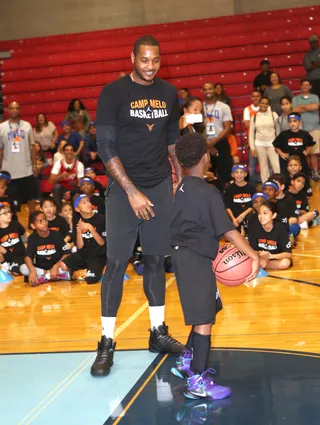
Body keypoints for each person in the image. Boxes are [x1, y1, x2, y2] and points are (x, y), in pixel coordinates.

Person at [93, 35, 185, 377]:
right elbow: (105, 146)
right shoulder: (112, 93)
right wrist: (131, 191)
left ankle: (157, 332)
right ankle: (106, 341)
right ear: (132, 57)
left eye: (156, 60)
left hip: (159, 185)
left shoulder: (169, 93)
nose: (150, 67)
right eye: (144, 60)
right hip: (122, 190)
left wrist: (178, 176)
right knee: (116, 264)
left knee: (156, 260)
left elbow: (172, 140)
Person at [169, 132, 259, 399]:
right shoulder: (208, 192)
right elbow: (228, 231)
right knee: (204, 320)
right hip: (193, 257)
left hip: (187, 254)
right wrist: (252, 254)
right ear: (205, 158)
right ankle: (196, 382)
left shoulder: (181, 186)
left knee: (210, 307)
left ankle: (186, 360)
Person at [60, 194, 106, 285]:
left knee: (90, 280)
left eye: (88, 201)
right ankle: (85, 270)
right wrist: (78, 231)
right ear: (77, 209)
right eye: (84, 202)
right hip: (83, 253)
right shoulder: (76, 220)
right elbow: (80, 246)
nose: (88, 204)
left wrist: (91, 228)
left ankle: (93, 269)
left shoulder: (101, 218)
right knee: (63, 266)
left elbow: (102, 243)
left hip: (98, 254)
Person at [0, 102, 37, 212]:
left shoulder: (27, 125)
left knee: (31, 197)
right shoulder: (2, 127)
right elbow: (0, 149)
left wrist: (34, 164)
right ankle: (13, 223)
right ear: (8, 110)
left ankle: (32, 219)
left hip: (26, 169)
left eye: (17, 108)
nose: (14, 110)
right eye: (12, 108)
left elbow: (33, 146)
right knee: (11, 199)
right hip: (9, 170)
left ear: (19, 110)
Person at [21, 211, 71, 286]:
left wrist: (56, 266)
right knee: (23, 268)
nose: (44, 223)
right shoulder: (32, 238)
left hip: (57, 266)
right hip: (41, 269)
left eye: (45, 220)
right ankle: (52, 275)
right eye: (40, 221)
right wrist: (32, 271)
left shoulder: (56, 234)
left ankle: (44, 278)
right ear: (33, 226)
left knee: (69, 264)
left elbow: (67, 253)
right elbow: (28, 257)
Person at [203, 82, 233, 185]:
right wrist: (207, 145)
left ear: (214, 90)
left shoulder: (224, 107)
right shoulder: (200, 107)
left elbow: (228, 128)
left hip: (221, 142)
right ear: (203, 91)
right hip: (204, 144)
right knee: (207, 176)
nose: (208, 91)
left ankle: (226, 197)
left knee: (225, 175)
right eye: (206, 89)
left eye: (210, 89)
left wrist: (213, 142)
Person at [248, 201, 292, 270]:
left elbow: (288, 254)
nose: (261, 216)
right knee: (262, 262)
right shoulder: (254, 228)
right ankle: (262, 264)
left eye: (265, 213)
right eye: (259, 213)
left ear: (274, 215)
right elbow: (252, 250)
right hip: (260, 257)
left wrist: (271, 256)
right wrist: (261, 254)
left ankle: (262, 265)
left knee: (285, 263)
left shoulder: (281, 228)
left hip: (275, 257)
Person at [292, 79, 320, 181]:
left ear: (310, 86)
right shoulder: (295, 98)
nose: (305, 86)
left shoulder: (315, 97)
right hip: (301, 130)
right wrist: (309, 107)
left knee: (314, 152)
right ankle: (308, 172)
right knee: (305, 153)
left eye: (307, 85)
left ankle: (315, 172)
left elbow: (315, 106)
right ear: (300, 86)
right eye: (303, 85)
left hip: (315, 128)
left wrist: (302, 107)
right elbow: (295, 110)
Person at [273, 112, 315, 177]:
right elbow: (276, 145)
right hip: (287, 162)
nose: (292, 123)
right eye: (290, 121)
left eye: (295, 121)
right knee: (287, 180)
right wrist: (282, 154)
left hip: (301, 161)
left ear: (300, 122)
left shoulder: (305, 134)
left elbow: (311, 143)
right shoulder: (283, 134)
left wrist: (307, 151)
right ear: (288, 123)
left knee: (303, 179)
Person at [249, 97, 279, 182]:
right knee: (263, 166)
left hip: (272, 144)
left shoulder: (274, 115)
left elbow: (278, 130)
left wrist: (279, 144)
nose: (264, 105)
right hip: (259, 144)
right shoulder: (254, 117)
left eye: (266, 103)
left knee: (276, 165)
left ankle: (279, 183)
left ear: (268, 105)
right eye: (262, 103)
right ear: (259, 104)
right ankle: (266, 184)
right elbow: (251, 133)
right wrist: (252, 147)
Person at [49, 143, 84, 208]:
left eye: (71, 150)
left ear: (74, 152)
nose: (69, 152)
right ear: (63, 152)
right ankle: (58, 212)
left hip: (73, 190)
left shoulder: (79, 164)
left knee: (77, 193)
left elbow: (80, 184)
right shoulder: (58, 164)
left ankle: (75, 214)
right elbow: (51, 181)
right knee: (56, 187)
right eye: (67, 150)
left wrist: (71, 192)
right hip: (61, 190)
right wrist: (60, 177)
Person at [224, 164, 255, 231]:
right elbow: (227, 206)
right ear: (232, 175)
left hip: (248, 218)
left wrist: (242, 215)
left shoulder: (251, 188)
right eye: (236, 172)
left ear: (245, 174)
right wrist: (233, 219)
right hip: (234, 219)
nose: (239, 175)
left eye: (241, 172)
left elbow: (254, 205)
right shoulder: (229, 189)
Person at [0, 204, 26, 275]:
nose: (9, 214)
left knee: (16, 270)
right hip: (7, 256)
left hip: (20, 255)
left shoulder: (15, 224)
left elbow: (26, 234)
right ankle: (4, 265)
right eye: (5, 213)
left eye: (9, 212)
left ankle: (12, 267)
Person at [243, 90, 262, 185]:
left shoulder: (266, 108)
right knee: (252, 165)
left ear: (260, 97)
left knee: (266, 164)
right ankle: (253, 185)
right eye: (254, 96)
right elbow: (247, 124)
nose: (255, 98)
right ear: (251, 98)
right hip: (253, 140)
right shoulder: (247, 109)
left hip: (264, 139)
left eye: (257, 96)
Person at [303, 35, 320, 99]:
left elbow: (311, 66)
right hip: (312, 81)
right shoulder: (307, 55)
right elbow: (307, 67)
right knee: (315, 100)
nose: (313, 43)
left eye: (315, 41)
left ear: (318, 42)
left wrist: (313, 64)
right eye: (312, 42)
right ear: (310, 43)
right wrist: (317, 64)